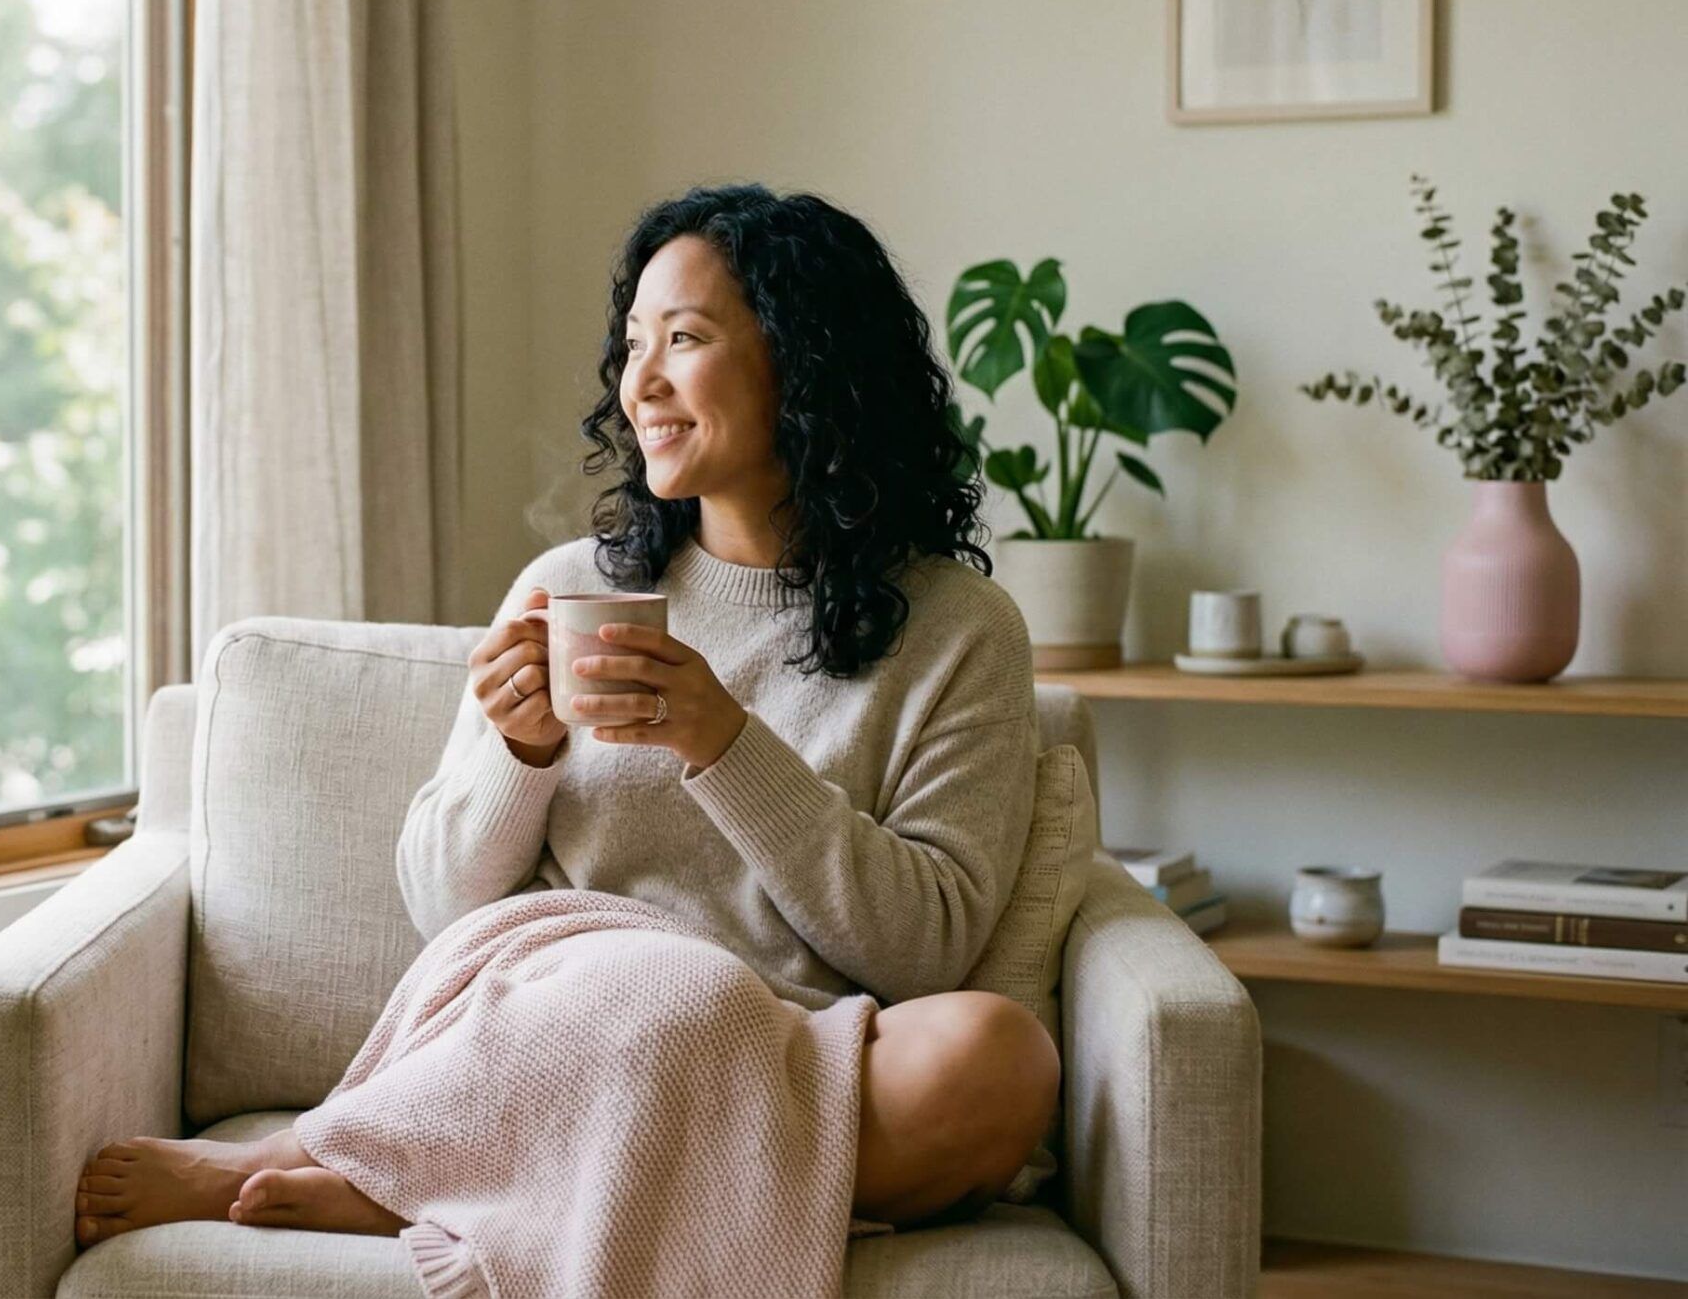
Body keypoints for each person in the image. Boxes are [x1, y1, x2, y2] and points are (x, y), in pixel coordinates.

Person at [74, 184, 1061, 1251]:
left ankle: (428, 1181)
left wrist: (721, 742)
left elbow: (924, 953)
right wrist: (520, 750)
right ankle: (355, 1159)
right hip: (563, 1007)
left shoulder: (962, 630)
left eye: (684, 338)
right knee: (662, 984)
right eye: (633, 343)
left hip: (789, 1049)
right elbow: (442, 907)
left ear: (806, 360)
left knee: (999, 1056)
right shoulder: (564, 588)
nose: (641, 382)